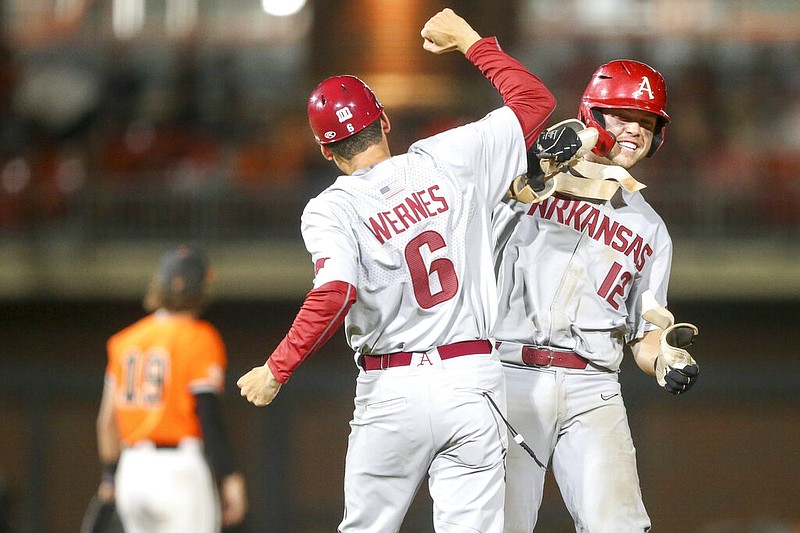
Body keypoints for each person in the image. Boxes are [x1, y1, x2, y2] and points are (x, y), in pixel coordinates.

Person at [237, 8, 556, 532]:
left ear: (325, 149)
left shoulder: (329, 209)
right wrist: (469, 40)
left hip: (392, 386)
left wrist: (277, 368)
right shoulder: (446, 156)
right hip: (471, 377)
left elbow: (336, 291)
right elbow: (534, 100)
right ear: (382, 120)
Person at [492, 60, 700, 532]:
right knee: (495, 526)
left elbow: (646, 334)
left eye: (647, 122)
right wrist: (532, 170)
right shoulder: (533, 178)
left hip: (593, 385)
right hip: (508, 375)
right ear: (592, 115)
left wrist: (664, 357)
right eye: (622, 116)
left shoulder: (649, 227)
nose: (634, 130)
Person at [94, 244, 248, 533]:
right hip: (178, 471)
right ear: (204, 288)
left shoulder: (124, 341)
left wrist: (110, 476)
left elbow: (106, 423)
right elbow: (209, 416)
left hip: (132, 470)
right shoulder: (199, 337)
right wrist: (230, 475)